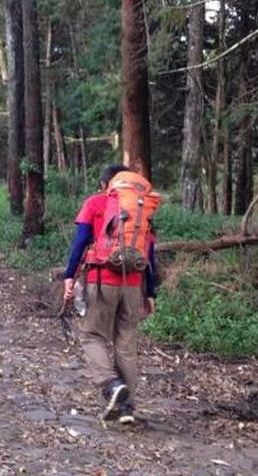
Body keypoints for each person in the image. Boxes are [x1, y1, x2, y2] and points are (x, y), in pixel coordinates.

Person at [63, 164, 158, 424]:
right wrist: (151, 292)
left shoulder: (95, 203)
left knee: (92, 335)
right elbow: (149, 254)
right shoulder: (140, 208)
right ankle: (127, 409)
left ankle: (110, 384)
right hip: (134, 285)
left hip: (101, 280)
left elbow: (80, 242)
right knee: (126, 345)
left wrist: (69, 276)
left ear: (106, 184)